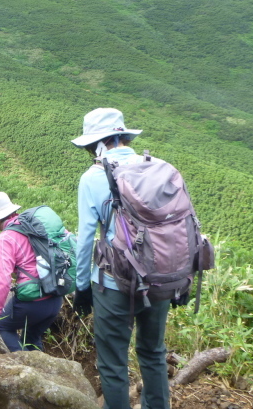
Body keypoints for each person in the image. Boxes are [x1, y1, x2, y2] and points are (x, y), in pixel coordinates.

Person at [71, 108, 170, 409]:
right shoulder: (159, 168)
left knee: (113, 362)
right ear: (124, 137)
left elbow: (86, 239)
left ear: (99, 144)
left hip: (114, 284)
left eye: (90, 147)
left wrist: (82, 286)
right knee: (153, 353)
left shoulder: (93, 178)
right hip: (161, 278)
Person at [0, 191, 63, 352]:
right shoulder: (33, 226)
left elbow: (3, 281)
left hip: (32, 302)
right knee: (31, 339)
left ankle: (24, 371)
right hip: (55, 298)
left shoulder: (6, 238)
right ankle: (41, 372)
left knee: (1, 328)